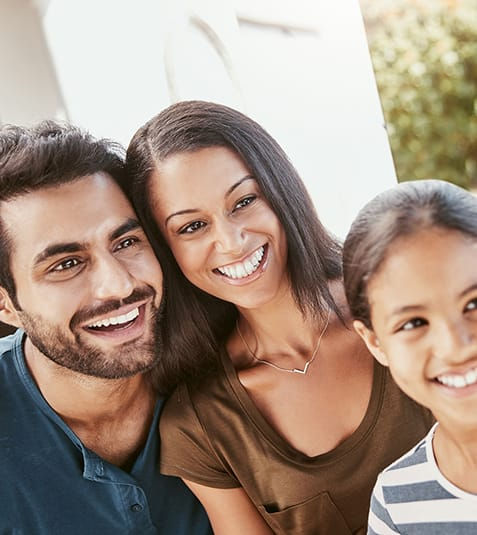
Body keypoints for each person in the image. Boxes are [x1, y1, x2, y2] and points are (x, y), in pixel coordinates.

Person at [125, 100, 433, 534]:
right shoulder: (202, 424)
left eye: (244, 201)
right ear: (166, 250)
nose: (231, 242)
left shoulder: (402, 296)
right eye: (192, 227)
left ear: (279, 187)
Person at [0, 121, 211, 535]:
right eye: (65, 264)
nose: (120, 284)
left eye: (126, 242)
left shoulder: (223, 358)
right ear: (5, 302)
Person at [342, 179, 477, 534]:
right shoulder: (396, 504)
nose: (456, 345)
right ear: (375, 343)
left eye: (474, 304)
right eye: (413, 323)